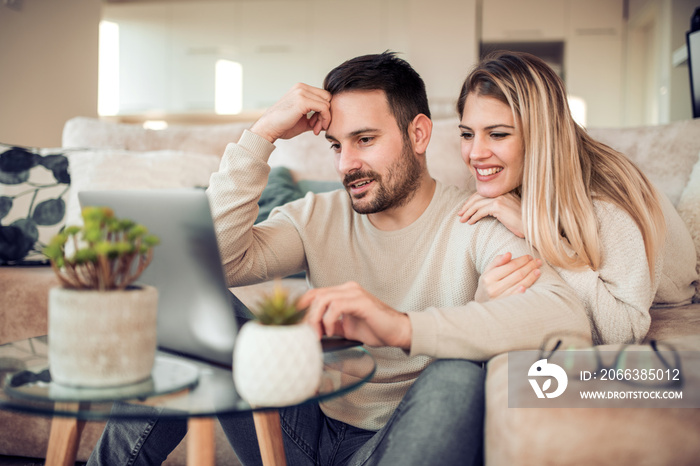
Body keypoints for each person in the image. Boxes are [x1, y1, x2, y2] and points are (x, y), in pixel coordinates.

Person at [88, 52, 588, 466]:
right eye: (336, 145)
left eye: (365, 140)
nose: (347, 164)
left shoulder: (477, 220)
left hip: (392, 443)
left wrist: (401, 326)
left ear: (418, 134)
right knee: (189, 303)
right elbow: (213, 264)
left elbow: (565, 316)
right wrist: (261, 135)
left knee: (458, 373)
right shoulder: (317, 214)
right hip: (299, 430)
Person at [456, 51, 697, 345]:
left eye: (498, 134)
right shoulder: (512, 182)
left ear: (541, 135)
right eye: (467, 134)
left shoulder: (606, 199)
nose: (475, 153)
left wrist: (536, 232)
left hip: (673, 297)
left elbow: (623, 329)